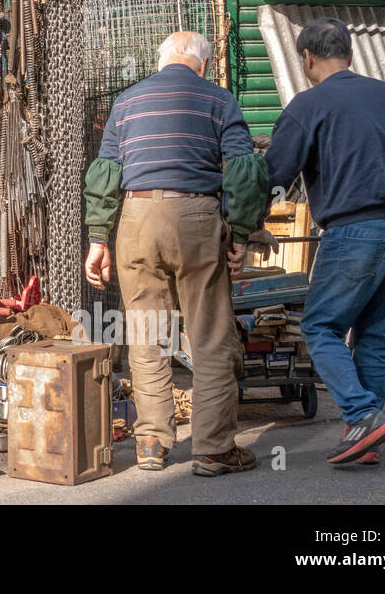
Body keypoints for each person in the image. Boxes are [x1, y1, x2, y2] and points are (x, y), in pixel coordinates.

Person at [84, 32, 269, 476]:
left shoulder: (127, 101)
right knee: (209, 339)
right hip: (196, 218)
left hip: (136, 218)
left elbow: (106, 171)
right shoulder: (220, 100)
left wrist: (97, 239)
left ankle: (151, 443)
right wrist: (241, 234)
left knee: (148, 335)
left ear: (161, 59)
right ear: (202, 65)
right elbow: (244, 171)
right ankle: (212, 450)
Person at [265, 17, 385, 465]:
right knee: (372, 334)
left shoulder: (307, 105)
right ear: (349, 53)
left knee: (320, 326)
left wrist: (244, 221)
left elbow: (275, 174)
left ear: (307, 59)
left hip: (355, 233)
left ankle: (361, 415)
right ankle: (364, 434)